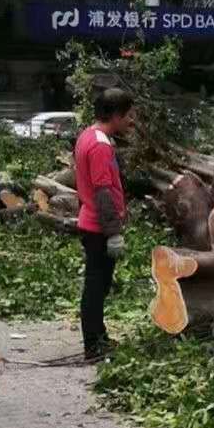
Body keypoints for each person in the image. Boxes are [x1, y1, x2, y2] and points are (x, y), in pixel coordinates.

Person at [74, 88, 136, 362]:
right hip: (98, 226)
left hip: (92, 222)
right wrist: (113, 233)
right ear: (116, 114)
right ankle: (93, 344)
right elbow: (102, 191)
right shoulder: (99, 145)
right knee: (96, 286)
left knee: (98, 284)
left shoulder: (90, 135)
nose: (130, 121)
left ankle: (99, 336)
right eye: (128, 115)